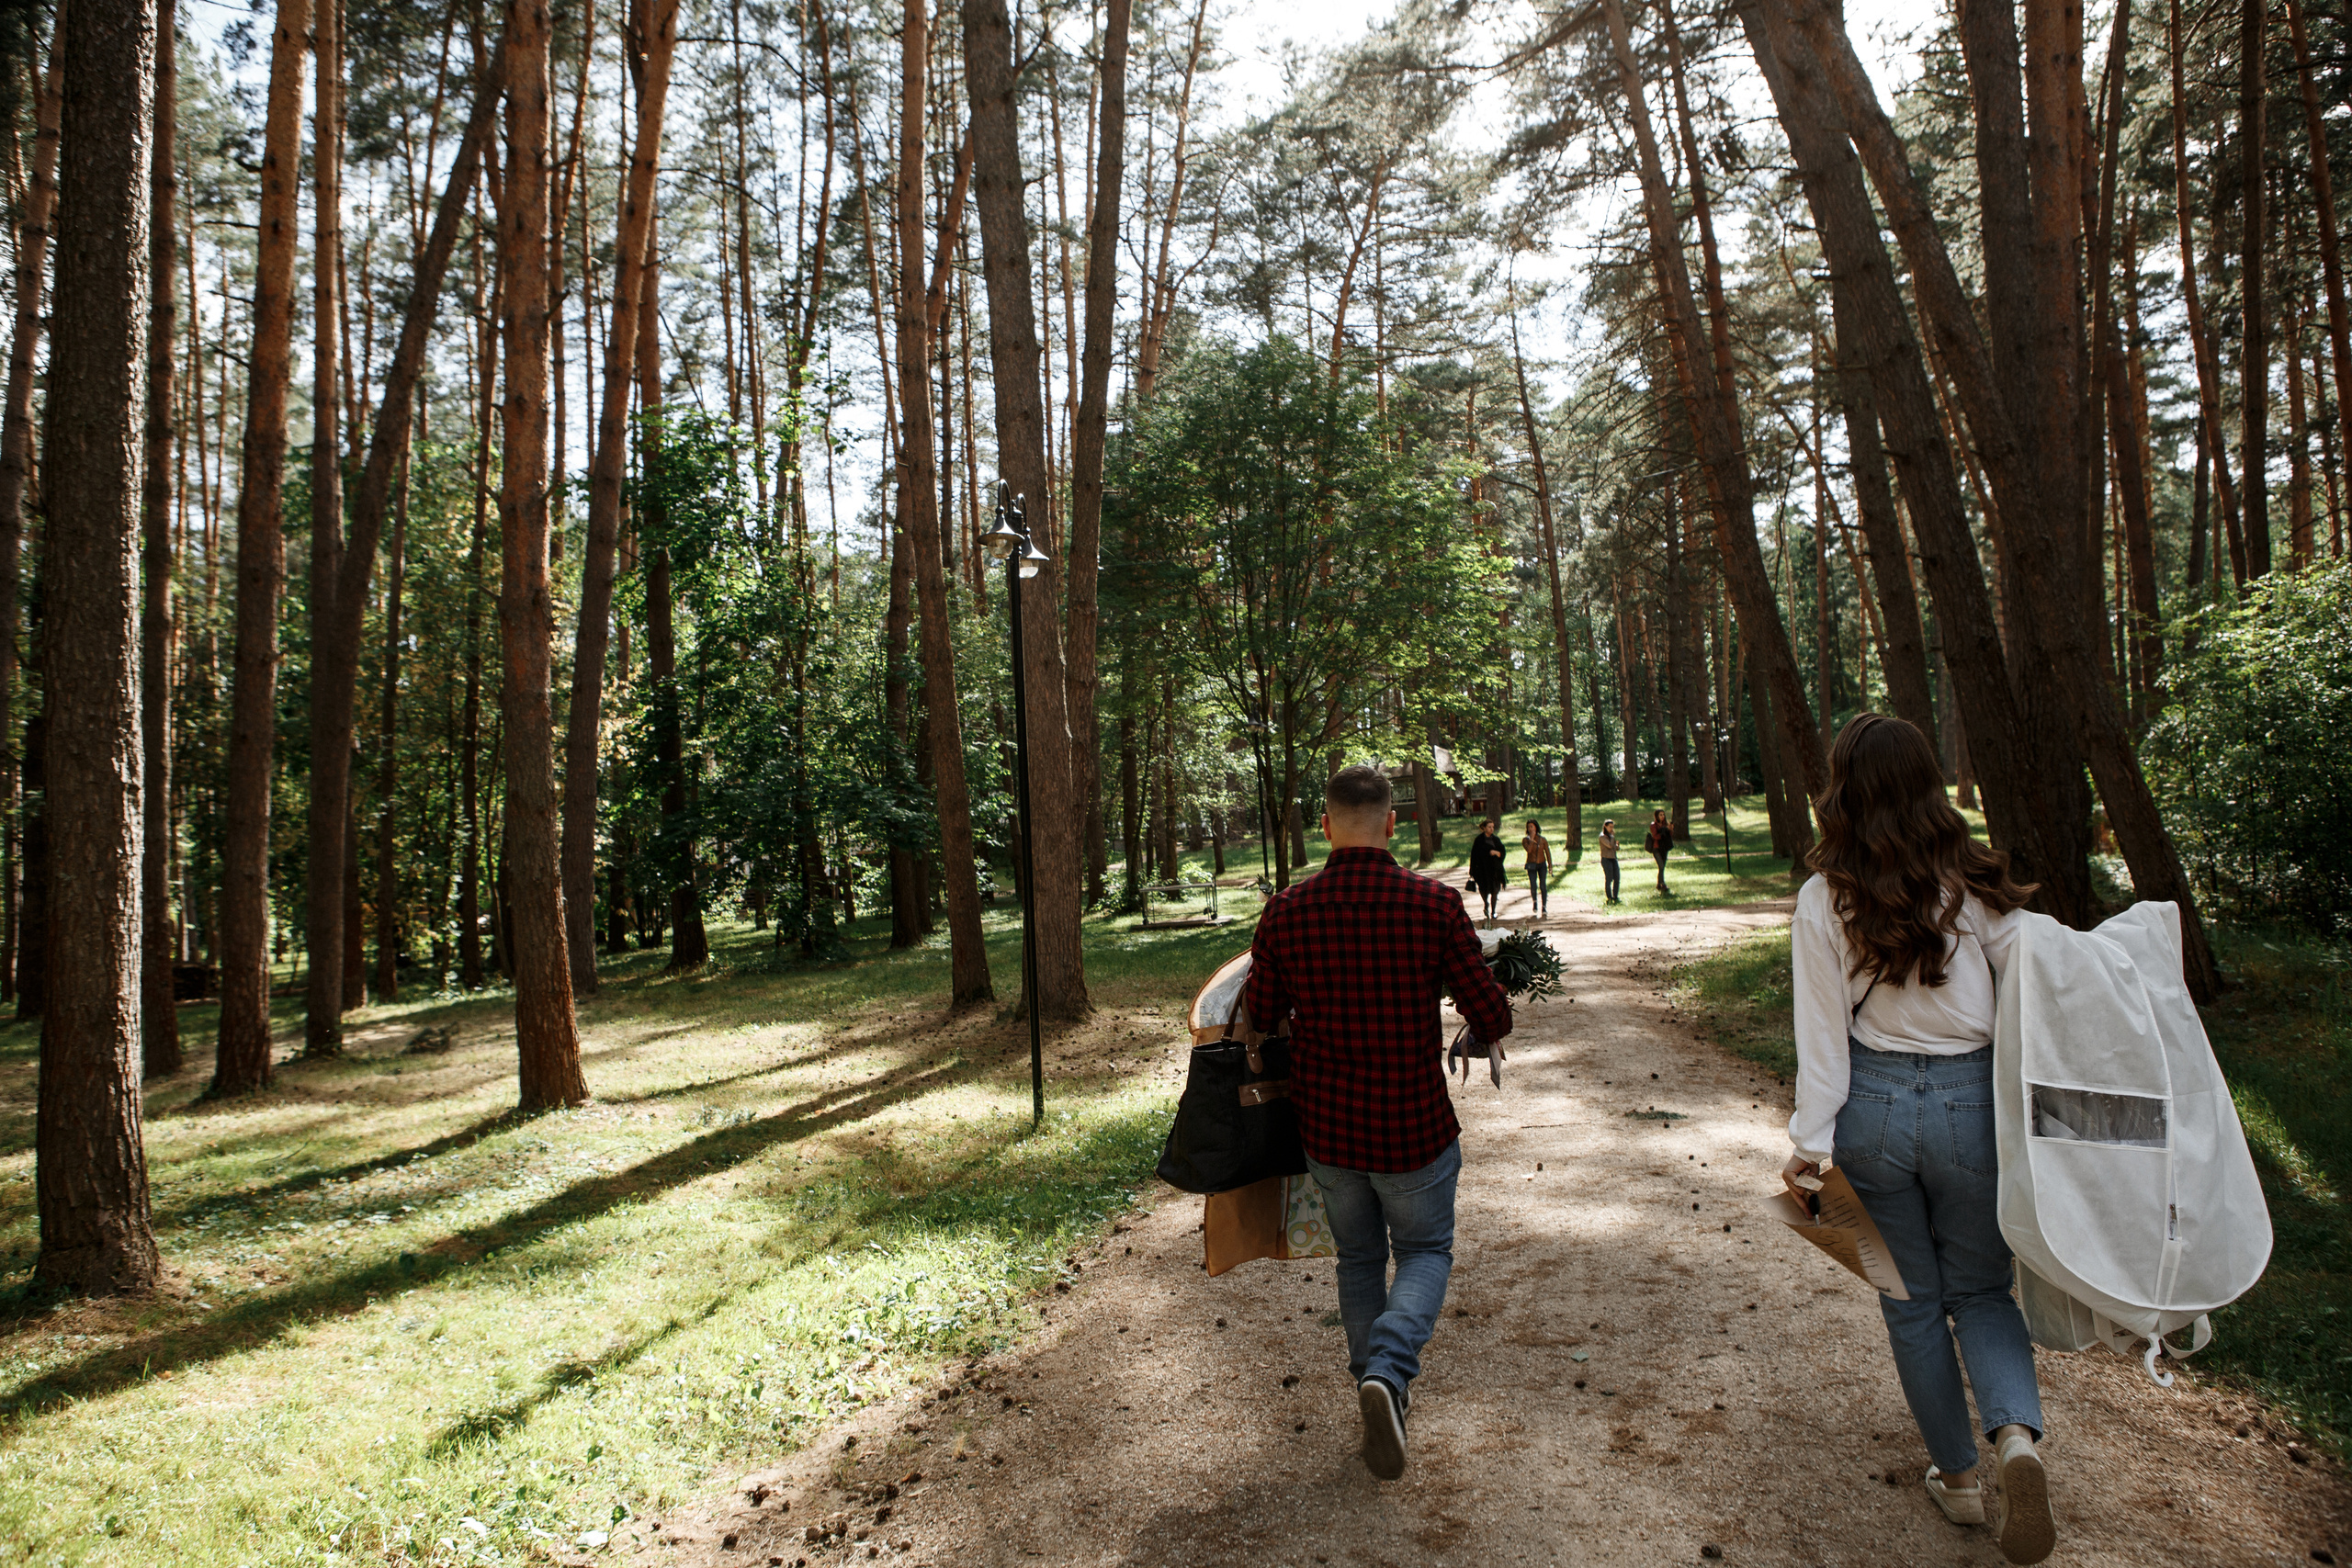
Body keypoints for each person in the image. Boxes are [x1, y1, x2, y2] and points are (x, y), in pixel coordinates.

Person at [1780, 714, 2053, 1566]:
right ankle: (2015, 1436)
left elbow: (1822, 1038)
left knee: (1908, 1300)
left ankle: (1961, 1479)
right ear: (1930, 785)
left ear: (1845, 791)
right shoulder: (1972, 880)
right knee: (1981, 1290)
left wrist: (1807, 1145)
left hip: (1873, 1111)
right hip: (1975, 1109)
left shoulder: (1826, 895)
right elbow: (2040, 990)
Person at [1242, 765, 1514, 1483]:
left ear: (1325, 826)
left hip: (1329, 1131)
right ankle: (1389, 1376)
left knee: (1358, 1259)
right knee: (1424, 1251)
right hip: (1413, 1127)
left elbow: (1261, 1014)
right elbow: (1489, 1016)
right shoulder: (1432, 903)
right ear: (1392, 824)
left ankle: (1379, 1386)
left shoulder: (1287, 911)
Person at [1468, 818, 1507, 923]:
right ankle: (1486, 903)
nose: (1491, 829)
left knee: (1495, 890)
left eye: (1493, 827)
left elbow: (1502, 852)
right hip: (1482, 870)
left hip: (1494, 870)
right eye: (1489, 827)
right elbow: (1474, 855)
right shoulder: (1479, 840)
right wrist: (1472, 869)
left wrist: (1496, 853)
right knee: (1483, 889)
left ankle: (1493, 911)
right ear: (1484, 828)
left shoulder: (1496, 840)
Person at [1521, 818, 1552, 916]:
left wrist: (1550, 866)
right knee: (1533, 885)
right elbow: (1529, 850)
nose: (1530, 829)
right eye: (1529, 827)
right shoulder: (1525, 840)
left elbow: (1547, 853)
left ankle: (1544, 906)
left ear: (1536, 827)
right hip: (1531, 865)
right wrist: (1531, 839)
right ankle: (1535, 902)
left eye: (1532, 827)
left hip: (1542, 864)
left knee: (1543, 885)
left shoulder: (1543, 840)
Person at [1643, 808, 1676, 893]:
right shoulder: (1653, 825)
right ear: (1657, 816)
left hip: (1664, 848)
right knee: (1661, 866)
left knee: (1662, 867)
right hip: (1656, 848)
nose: (1662, 816)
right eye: (1660, 815)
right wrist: (1664, 830)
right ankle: (1662, 883)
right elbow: (1656, 836)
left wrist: (1670, 829)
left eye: (1663, 815)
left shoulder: (1666, 824)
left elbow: (1670, 835)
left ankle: (1659, 884)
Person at [1598, 818, 1621, 903]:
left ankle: (1615, 896)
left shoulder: (1611, 836)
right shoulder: (1602, 837)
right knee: (1609, 878)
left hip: (1613, 858)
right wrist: (1612, 838)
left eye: (1613, 827)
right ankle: (1609, 897)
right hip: (1606, 859)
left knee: (1617, 877)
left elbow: (1614, 847)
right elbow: (1609, 846)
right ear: (1605, 827)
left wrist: (1617, 845)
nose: (1612, 829)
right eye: (1610, 827)